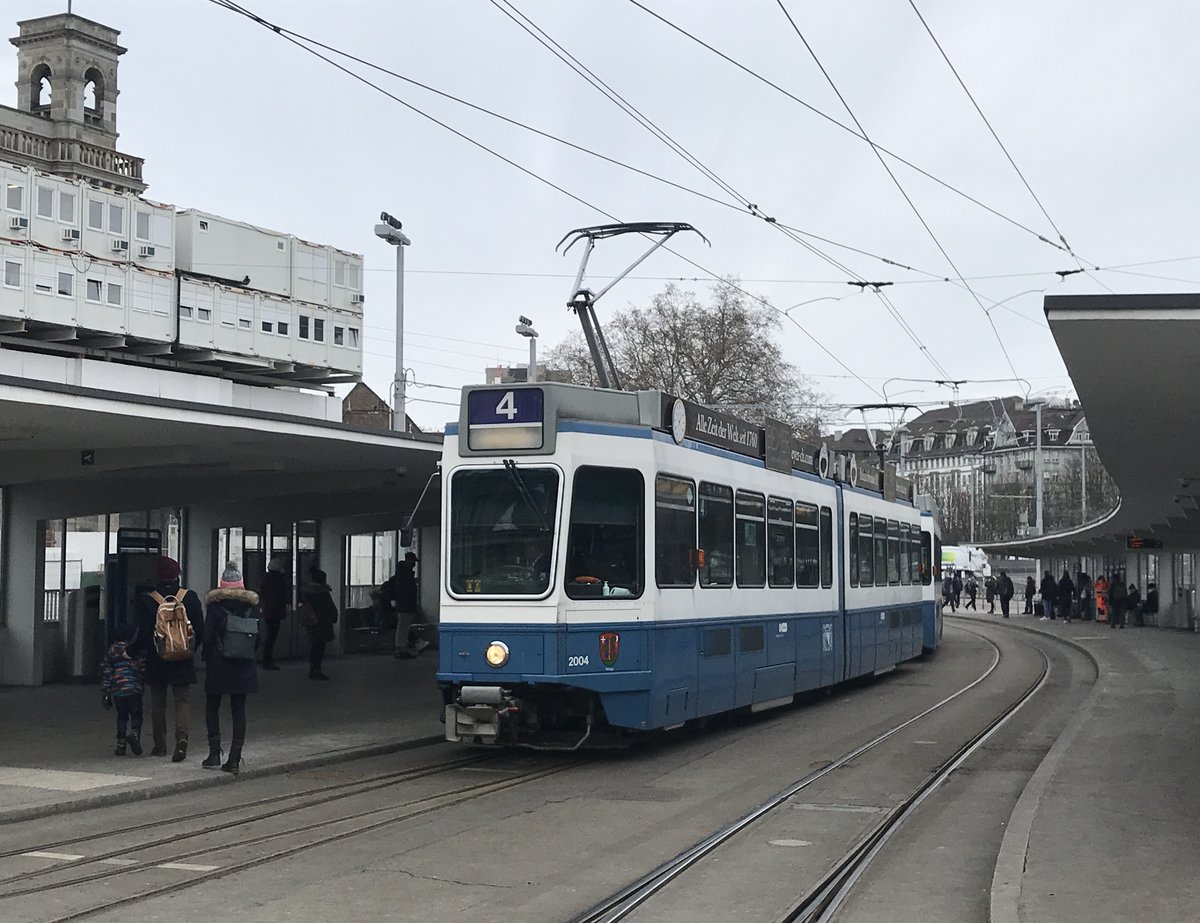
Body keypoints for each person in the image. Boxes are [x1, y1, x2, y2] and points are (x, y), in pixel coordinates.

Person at [132, 555, 204, 761]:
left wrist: (133, 652)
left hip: (158, 659)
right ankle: (182, 741)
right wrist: (190, 649)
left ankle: (160, 745)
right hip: (183, 657)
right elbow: (200, 628)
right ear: (177, 574)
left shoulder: (148, 599)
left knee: (158, 702)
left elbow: (144, 633)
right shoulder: (189, 597)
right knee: (182, 700)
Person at [201, 562, 261, 774]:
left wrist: (206, 656)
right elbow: (259, 638)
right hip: (244, 664)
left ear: (222, 585)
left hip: (218, 664)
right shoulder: (252, 607)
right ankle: (235, 757)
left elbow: (207, 637)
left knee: (212, 706)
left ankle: (214, 753)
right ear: (241, 585)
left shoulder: (215, 608)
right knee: (238, 710)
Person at [100, 624, 145, 757]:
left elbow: (107, 672)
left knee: (121, 717)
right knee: (136, 715)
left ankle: (121, 744)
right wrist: (141, 682)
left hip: (118, 690)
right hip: (134, 688)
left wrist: (106, 690)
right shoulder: (134, 650)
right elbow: (142, 668)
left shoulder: (112, 650)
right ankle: (134, 734)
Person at [303, 566, 339, 680]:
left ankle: (313, 668)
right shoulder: (323, 593)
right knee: (320, 647)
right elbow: (330, 608)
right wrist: (334, 617)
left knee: (314, 645)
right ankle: (317, 669)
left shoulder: (308, 592)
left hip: (311, 621)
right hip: (323, 622)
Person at [388, 552, 424, 657]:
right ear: (409, 560)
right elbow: (406, 590)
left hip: (403, 604)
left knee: (403, 627)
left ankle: (401, 648)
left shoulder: (401, 573)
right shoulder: (405, 574)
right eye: (413, 561)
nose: (414, 564)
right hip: (406, 604)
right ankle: (401, 648)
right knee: (403, 627)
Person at [258, 555, 290, 670]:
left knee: (269, 636)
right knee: (272, 636)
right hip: (275, 611)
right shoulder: (279, 580)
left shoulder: (266, 579)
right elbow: (282, 596)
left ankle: (267, 660)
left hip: (268, 610)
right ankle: (267, 660)